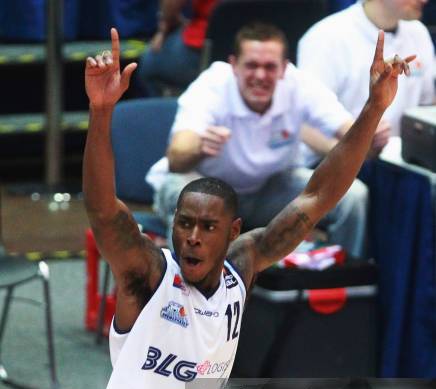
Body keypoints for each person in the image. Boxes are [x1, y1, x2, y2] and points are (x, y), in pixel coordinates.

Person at [57, 27, 412, 389]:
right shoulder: (146, 277)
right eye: (185, 224)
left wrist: (374, 107)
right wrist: (101, 116)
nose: (193, 236)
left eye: (207, 227)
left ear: (232, 232)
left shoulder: (239, 271)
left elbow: (317, 197)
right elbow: (103, 209)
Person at [147, 21, 375, 258]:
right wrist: (198, 147)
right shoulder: (212, 85)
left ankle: (340, 282)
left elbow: (352, 133)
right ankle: (187, 290)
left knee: (354, 196)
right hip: (207, 185)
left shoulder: (299, 85)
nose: (260, 75)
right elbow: (176, 158)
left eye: (269, 67)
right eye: (252, 65)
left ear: (284, 68)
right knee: (190, 196)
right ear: (234, 65)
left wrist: (375, 109)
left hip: (267, 190)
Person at [297, 0, 435, 167]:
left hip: (400, 159)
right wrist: (359, 153)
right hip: (334, 161)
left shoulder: (418, 32)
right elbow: (302, 125)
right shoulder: (325, 37)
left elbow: (427, 107)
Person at [135, 0, 218, 97]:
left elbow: (171, 4)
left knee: (147, 65)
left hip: (200, 51)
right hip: (233, 56)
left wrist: (164, 29)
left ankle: (165, 108)